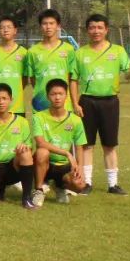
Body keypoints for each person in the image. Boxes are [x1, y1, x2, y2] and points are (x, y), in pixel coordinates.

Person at [71, 13, 130, 195]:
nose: (96, 31)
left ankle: (113, 184)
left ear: (106, 29)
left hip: (110, 101)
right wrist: (75, 103)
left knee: (109, 144)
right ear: (87, 30)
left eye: (100, 27)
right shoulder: (80, 53)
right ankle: (86, 183)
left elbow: (129, 75)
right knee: (87, 145)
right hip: (86, 102)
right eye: (92, 27)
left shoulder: (117, 51)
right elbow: (73, 80)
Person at [32, 78, 87, 206]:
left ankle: (60, 188)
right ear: (47, 96)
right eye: (53, 94)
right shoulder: (39, 117)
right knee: (42, 152)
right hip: (45, 163)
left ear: (66, 96)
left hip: (64, 166)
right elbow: (40, 142)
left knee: (80, 186)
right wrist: (67, 154)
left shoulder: (75, 120)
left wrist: (80, 168)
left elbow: (79, 147)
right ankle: (39, 189)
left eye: (60, 94)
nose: (57, 97)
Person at [24, 9, 76, 113]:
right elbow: (33, 79)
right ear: (40, 27)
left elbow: (72, 78)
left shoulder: (68, 49)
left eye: (52, 23)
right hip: (40, 104)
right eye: (44, 24)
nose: (48, 27)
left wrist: (75, 103)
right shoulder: (32, 51)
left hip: (64, 105)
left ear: (58, 26)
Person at [0, 16, 28, 117]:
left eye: (9, 27)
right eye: (2, 27)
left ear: (15, 30)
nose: (5, 30)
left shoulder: (24, 53)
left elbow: (25, 80)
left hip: (17, 105)